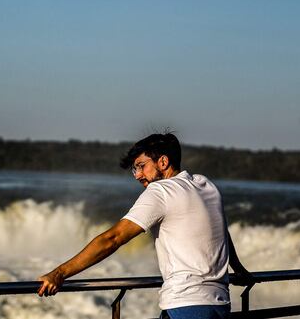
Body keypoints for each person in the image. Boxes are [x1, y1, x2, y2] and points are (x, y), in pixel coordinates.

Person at [37, 133, 250, 319]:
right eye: (134, 170)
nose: (138, 175)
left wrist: (60, 273)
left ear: (163, 162)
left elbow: (113, 238)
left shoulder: (161, 192)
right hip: (219, 304)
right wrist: (238, 269)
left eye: (141, 166)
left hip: (186, 303)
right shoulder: (206, 185)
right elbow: (221, 230)